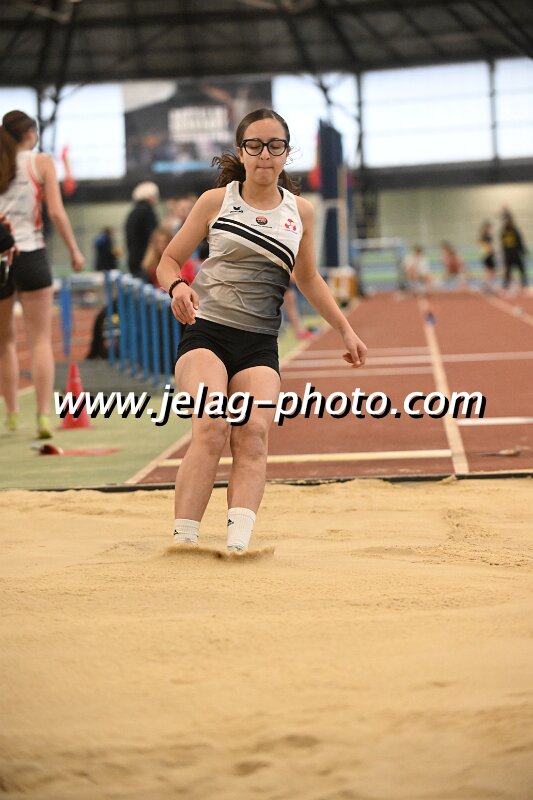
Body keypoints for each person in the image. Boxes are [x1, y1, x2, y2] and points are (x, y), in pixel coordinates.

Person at [156, 108, 367, 553]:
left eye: (275, 145)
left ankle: (237, 544)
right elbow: (168, 261)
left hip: (258, 343)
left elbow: (308, 278)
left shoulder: (301, 212)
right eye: (255, 145)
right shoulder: (216, 202)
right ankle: (184, 541)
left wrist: (345, 330)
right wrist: (177, 286)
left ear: (287, 153)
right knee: (212, 424)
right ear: (241, 152)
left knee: (252, 431)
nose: (265, 154)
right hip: (206, 334)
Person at [0, 110, 84, 437]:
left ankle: (11, 413)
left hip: (2, 256)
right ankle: (43, 416)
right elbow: (56, 212)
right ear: (30, 134)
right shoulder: (42, 163)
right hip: (32, 253)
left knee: (5, 340)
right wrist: (74, 250)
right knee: (39, 340)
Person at [125, 181, 159, 278]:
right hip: (145, 263)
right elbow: (152, 237)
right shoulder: (148, 213)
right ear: (150, 197)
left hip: (133, 260)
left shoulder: (133, 213)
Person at [501, 209, 528, 292]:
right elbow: (520, 241)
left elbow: (503, 245)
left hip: (509, 254)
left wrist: (504, 254)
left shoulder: (504, 231)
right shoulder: (513, 230)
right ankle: (522, 284)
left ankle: (506, 285)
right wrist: (523, 251)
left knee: (510, 270)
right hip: (514, 253)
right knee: (520, 269)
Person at [478, 220, 498, 292]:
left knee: (489, 271)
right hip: (488, 255)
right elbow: (488, 246)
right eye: (490, 228)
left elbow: (482, 245)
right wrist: (493, 253)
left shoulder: (483, 236)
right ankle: (487, 286)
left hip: (485, 255)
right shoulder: (487, 236)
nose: (491, 229)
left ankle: (487, 286)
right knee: (491, 272)